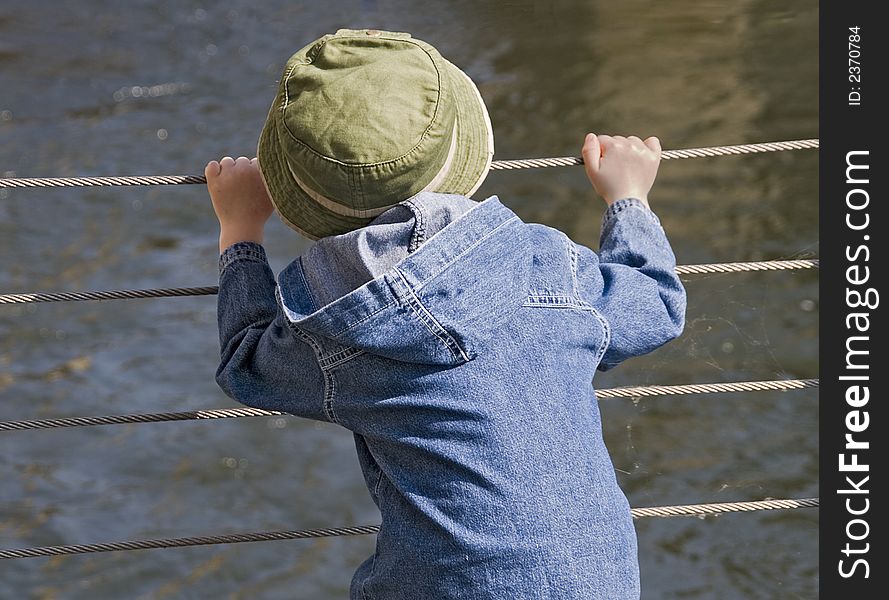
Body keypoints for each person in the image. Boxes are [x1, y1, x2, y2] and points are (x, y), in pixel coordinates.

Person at [206, 29, 685, 600]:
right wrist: (628, 199)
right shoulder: (547, 269)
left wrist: (239, 232)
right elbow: (654, 302)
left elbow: (246, 365)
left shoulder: (333, 332)